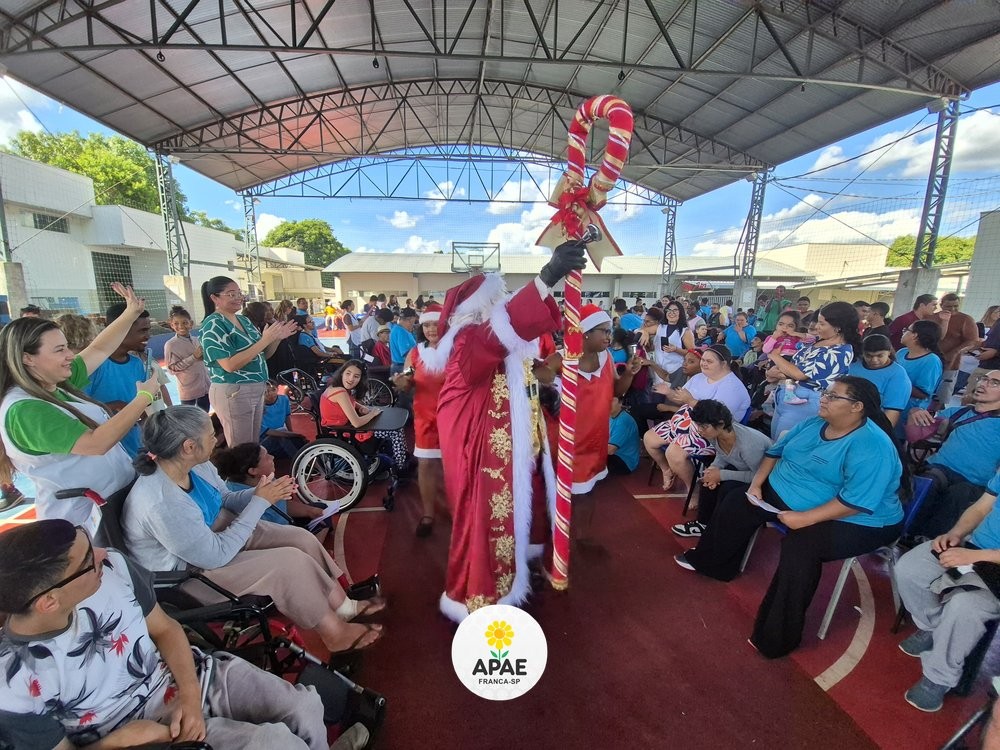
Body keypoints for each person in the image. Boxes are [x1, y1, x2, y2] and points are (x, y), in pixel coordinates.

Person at [0, 519, 370, 750]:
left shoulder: (113, 569)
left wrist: (190, 698)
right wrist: (127, 739)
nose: (101, 554)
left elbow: (165, 629)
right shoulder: (13, 682)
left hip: (188, 677)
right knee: (272, 743)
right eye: (86, 561)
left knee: (305, 706)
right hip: (132, 733)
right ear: (48, 601)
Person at [123, 407, 385, 655]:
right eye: (211, 436)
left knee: (300, 539)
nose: (216, 440)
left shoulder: (195, 466)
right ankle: (334, 633)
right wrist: (260, 502)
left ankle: (343, 607)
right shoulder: (161, 503)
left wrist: (262, 492)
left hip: (215, 534)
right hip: (189, 575)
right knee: (289, 564)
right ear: (189, 447)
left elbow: (225, 498)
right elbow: (215, 556)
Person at [677, 376, 906, 658]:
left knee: (801, 547)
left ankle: (776, 637)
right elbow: (774, 453)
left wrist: (806, 518)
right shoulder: (813, 424)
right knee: (738, 500)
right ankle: (715, 565)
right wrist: (756, 485)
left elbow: (856, 502)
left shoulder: (873, 446)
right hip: (790, 493)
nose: (823, 398)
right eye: (825, 392)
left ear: (856, 406)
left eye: (833, 396)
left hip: (858, 519)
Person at [435, 242, 581, 622]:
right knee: (482, 521)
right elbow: (501, 331)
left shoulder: (499, 345)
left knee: (516, 508)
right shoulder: (468, 339)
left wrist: (545, 397)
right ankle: (478, 595)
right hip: (478, 450)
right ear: (476, 308)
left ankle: (517, 569)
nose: (502, 302)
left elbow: (518, 359)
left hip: (506, 445)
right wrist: (547, 277)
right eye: (496, 298)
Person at [0, 284, 158, 530]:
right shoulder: (24, 410)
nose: (70, 355)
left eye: (66, 347)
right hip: (82, 521)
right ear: (27, 358)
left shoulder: (55, 383)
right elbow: (96, 443)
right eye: (59, 350)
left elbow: (99, 348)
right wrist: (142, 399)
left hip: (110, 505)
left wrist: (130, 314)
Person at [894, 470, 1000, 713]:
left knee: (965, 606)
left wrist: (976, 556)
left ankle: (938, 678)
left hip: (989, 561)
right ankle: (932, 627)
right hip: (973, 546)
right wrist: (956, 533)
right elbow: (981, 508)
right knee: (909, 569)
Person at [199, 277, 298, 447]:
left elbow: (262, 354)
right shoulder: (213, 324)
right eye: (231, 294)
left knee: (252, 444)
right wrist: (264, 340)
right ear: (214, 298)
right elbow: (229, 365)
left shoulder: (244, 321)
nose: (239, 297)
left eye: (239, 293)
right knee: (241, 447)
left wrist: (276, 339)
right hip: (234, 390)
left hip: (255, 387)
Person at [643, 344, 751, 491]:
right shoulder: (699, 377)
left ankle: (692, 490)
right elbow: (681, 398)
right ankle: (666, 469)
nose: (704, 364)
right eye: (703, 360)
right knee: (649, 438)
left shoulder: (732, 387)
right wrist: (669, 393)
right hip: (684, 424)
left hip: (710, 433)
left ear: (724, 363)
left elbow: (715, 417)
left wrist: (691, 401)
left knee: (674, 453)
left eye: (709, 361)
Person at [906, 370, 1000, 538]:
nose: (983, 384)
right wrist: (915, 413)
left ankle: (928, 542)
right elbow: (915, 437)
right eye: (983, 379)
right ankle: (904, 533)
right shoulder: (957, 413)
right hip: (940, 469)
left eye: (994, 383)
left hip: (975, 483)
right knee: (931, 479)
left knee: (959, 494)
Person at [671, 399, 772, 538]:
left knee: (727, 488)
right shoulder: (714, 434)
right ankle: (703, 524)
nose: (699, 430)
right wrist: (713, 469)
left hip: (764, 480)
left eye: (703, 426)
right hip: (743, 469)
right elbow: (722, 454)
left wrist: (721, 475)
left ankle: (718, 530)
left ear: (721, 424)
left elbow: (759, 475)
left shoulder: (749, 445)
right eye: (698, 425)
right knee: (707, 479)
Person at [392, 302, 447, 537]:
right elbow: (407, 382)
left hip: (454, 418)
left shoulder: (456, 350)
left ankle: (462, 511)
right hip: (425, 417)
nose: (431, 329)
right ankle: (428, 514)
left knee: (456, 467)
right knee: (426, 465)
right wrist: (401, 382)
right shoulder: (415, 353)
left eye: (436, 324)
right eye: (427, 325)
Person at [766, 301, 859, 438]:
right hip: (787, 396)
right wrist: (774, 373)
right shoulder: (819, 341)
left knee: (785, 444)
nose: (816, 327)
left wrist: (774, 356)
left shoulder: (839, 351)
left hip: (804, 403)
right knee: (775, 440)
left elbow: (799, 374)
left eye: (822, 324)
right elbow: (793, 366)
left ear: (838, 327)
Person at [83, 302, 159, 458]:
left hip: (134, 450)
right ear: (121, 329)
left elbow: (139, 408)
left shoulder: (137, 364)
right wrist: (114, 406)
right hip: (107, 454)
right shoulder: (94, 367)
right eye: (143, 331)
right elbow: (79, 409)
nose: (148, 336)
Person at [320, 359, 408, 470]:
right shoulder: (340, 392)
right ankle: (401, 466)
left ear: (360, 379)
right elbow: (356, 423)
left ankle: (402, 459)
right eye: (348, 374)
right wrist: (372, 413)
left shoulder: (334, 387)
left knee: (395, 429)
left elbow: (347, 402)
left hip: (340, 428)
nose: (351, 379)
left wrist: (360, 407)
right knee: (396, 431)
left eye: (356, 376)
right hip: (345, 432)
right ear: (342, 373)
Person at [213, 442, 324, 525]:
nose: (272, 457)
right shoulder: (240, 500)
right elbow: (265, 531)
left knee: (321, 511)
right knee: (319, 527)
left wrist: (310, 511)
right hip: (272, 535)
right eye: (266, 457)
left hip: (283, 523)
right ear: (253, 470)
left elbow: (282, 505)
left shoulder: (264, 477)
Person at [847, 334, 912, 426]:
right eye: (868, 356)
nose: (874, 360)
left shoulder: (898, 375)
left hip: (872, 424)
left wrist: (882, 432)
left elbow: (892, 412)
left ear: (889, 352)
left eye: (880, 355)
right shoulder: (853, 363)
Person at [896, 319, 944, 431]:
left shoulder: (931, 361)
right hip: (892, 404)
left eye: (906, 330)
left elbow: (923, 394)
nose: (903, 332)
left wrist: (896, 382)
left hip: (909, 412)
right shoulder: (902, 352)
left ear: (915, 336)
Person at [934, 293, 980, 405]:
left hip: (950, 364)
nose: (953, 309)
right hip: (930, 361)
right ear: (941, 305)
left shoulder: (966, 319)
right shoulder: (932, 317)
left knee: (942, 395)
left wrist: (955, 352)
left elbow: (973, 341)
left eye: (956, 306)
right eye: (949, 306)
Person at [164, 305, 211, 411]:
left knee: (204, 414)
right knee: (189, 417)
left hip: (205, 387)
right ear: (171, 325)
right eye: (176, 323)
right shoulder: (171, 345)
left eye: (185, 322)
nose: (181, 326)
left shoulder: (197, 340)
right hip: (188, 390)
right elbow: (171, 369)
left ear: (191, 323)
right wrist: (193, 357)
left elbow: (204, 361)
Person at [259, 379, 308, 459]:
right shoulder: (259, 407)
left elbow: (286, 417)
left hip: (281, 431)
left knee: (299, 440)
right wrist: (290, 434)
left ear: (278, 389)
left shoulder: (284, 399)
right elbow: (267, 431)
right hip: (265, 439)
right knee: (281, 438)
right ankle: (299, 461)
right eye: (266, 392)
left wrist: (291, 432)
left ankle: (314, 460)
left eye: (273, 390)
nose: (270, 393)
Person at [607, 395, 640, 475]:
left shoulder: (623, 421)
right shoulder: (609, 416)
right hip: (612, 453)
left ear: (620, 403)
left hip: (625, 461)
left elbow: (610, 450)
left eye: (611, 400)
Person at [388, 307, 417, 376]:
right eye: (413, 322)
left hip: (398, 366)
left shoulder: (396, 328)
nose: (412, 325)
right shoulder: (402, 332)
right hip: (403, 367)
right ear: (409, 320)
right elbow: (406, 354)